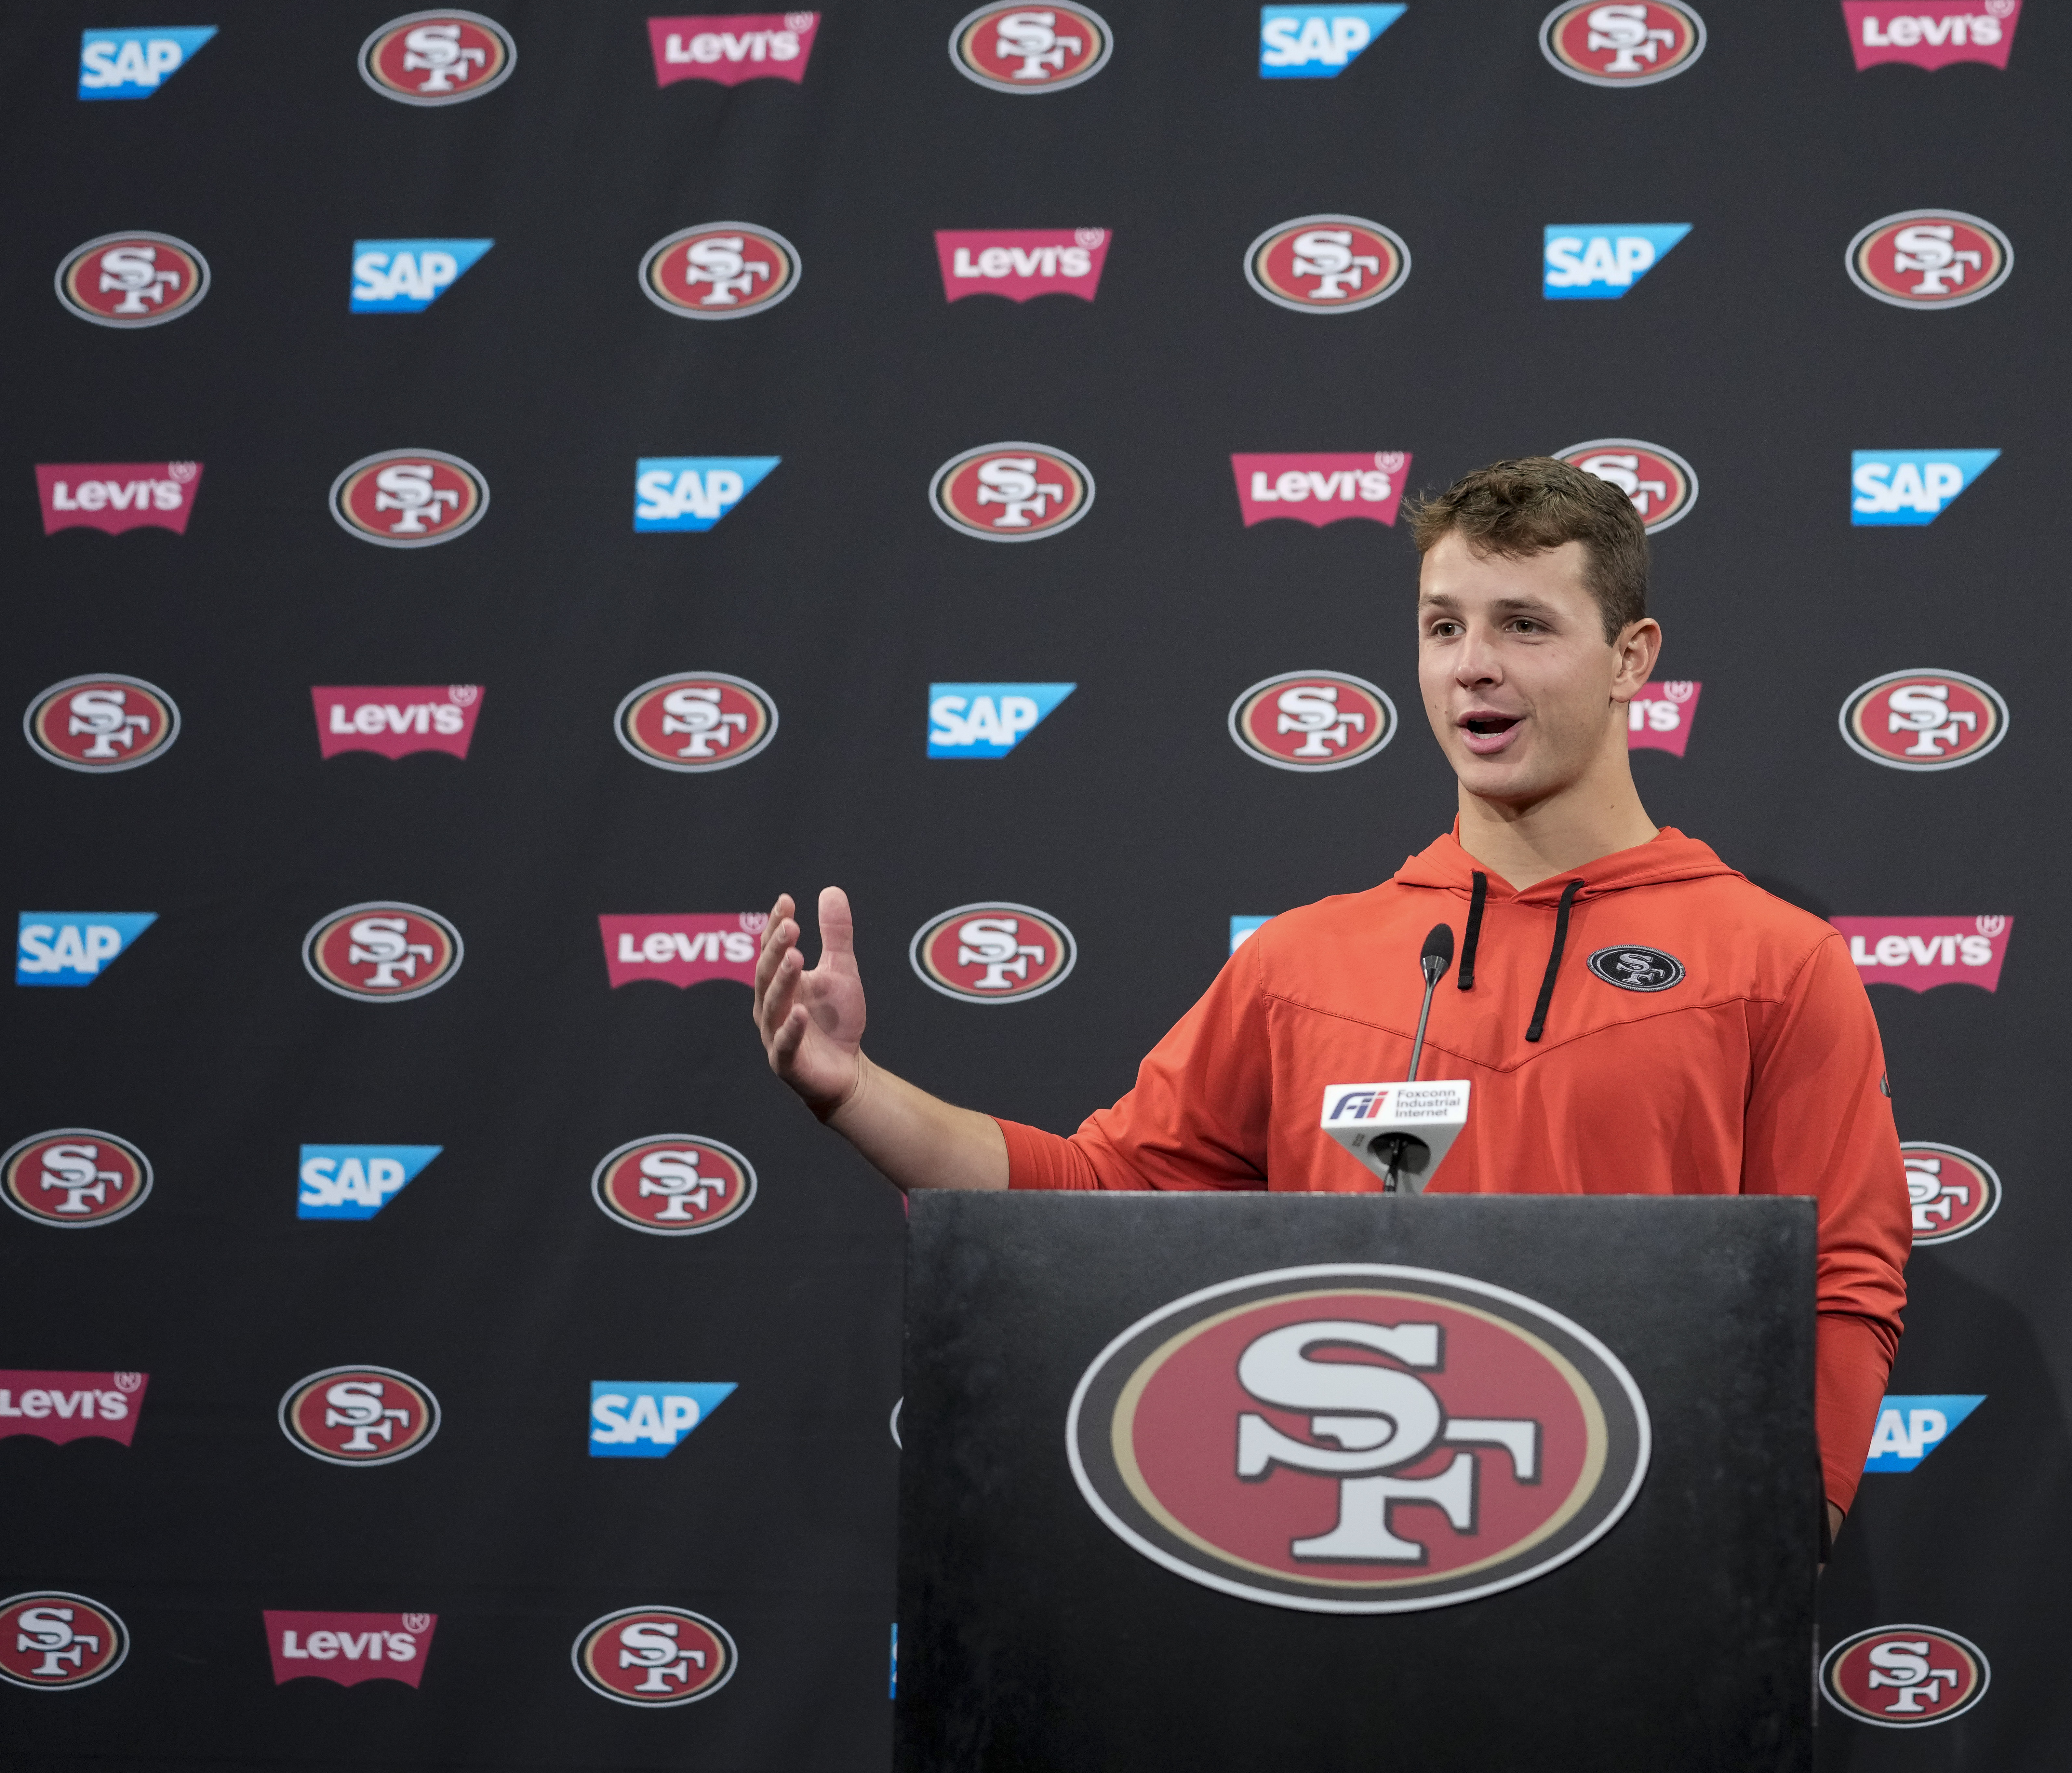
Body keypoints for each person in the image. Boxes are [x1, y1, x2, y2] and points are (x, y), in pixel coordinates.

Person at [753, 455, 1911, 1536]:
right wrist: (854, 1093)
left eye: (1525, 626)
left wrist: (1767, 1547)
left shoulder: (1774, 962)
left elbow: (1841, 1282)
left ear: (1632, 659)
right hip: (1338, 1581)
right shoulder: (1303, 964)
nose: (1474, 667)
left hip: (1643, 1585)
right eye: (1443, 627)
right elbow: (1095, 1194)